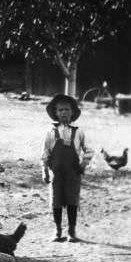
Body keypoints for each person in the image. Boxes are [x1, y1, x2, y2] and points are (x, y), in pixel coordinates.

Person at [41, 93, 92, 243]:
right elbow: (45, 152)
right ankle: (57, 231)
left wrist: (83, 164)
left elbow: (89, 150)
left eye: (67, 110)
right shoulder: (50, 131)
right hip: (56, 172)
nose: (64, 112)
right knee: (56, 201)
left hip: (73, 172)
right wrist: (44, 170)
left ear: (72, 112)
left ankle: (72, 231)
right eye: (60, 110)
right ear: (56, 113)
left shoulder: (78, 131)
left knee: (72, 201)